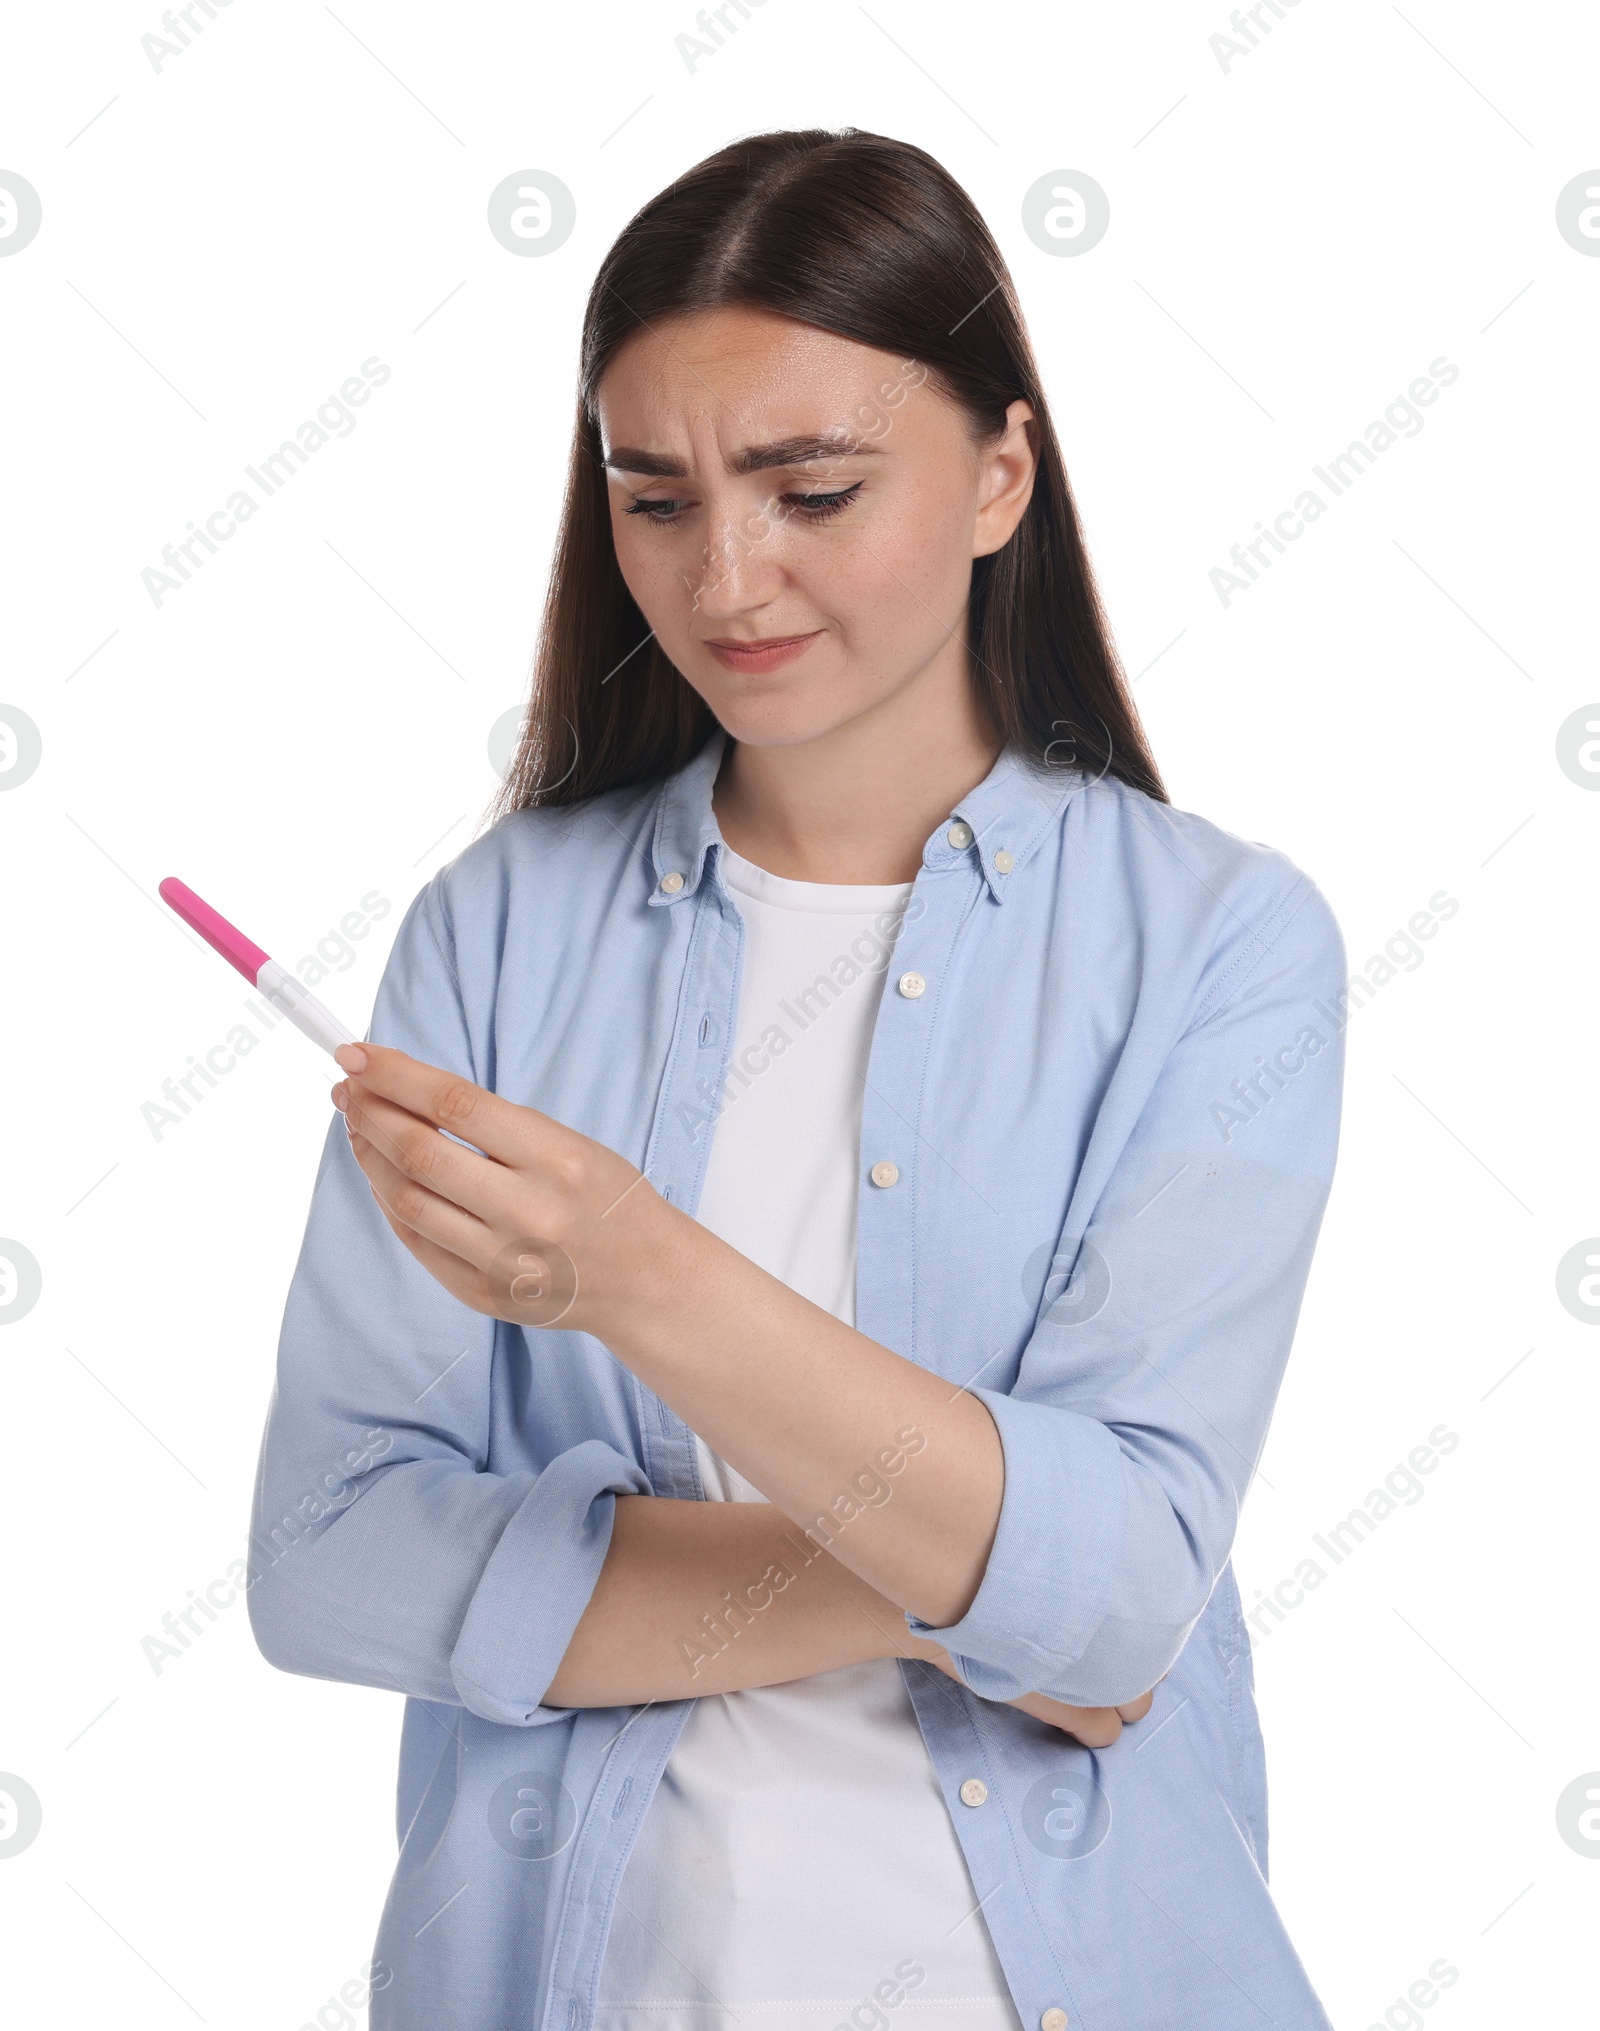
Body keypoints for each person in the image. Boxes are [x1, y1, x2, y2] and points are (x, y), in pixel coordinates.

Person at [248, 128, 1346, 2031]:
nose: (724, 575)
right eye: (652, 498)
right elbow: (329, 1560)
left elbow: (1130, 1582)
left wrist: (635, 1277)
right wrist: (983, 1579)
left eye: (812, 488)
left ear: (1005, 471)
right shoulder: (499, 934)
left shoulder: (1221, 948)